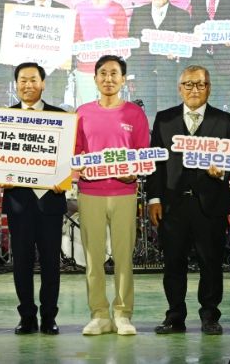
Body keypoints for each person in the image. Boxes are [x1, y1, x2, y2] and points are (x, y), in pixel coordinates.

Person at [146, 65, 230, 336]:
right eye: (188, 84)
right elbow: (156, 164)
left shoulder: (226, 121)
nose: (194, 89)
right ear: (180, 88)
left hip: (210, 204)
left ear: (209, 88)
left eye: (200, 84)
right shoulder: (164, 119)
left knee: (211, 263)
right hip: (173, 205)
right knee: (173, 264)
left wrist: (224, 170)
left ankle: (210, 316)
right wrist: (154, 198)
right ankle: (175, 316)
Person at [74, 55, 150, 336]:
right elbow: (75, 152)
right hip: (90, 192)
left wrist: (134, 172)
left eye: (114, 73)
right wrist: (80, 166)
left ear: (123, 79)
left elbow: (143, 154)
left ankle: (122, 314)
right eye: (103, 73)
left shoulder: (134, 114)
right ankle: (99, 314)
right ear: (95, 79)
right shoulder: (82, 113)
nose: (108, 79)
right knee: (93, 258)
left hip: (124, 193)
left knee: (123, 256)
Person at [2, 62, 67, 336]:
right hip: (19, 202)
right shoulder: (4, 118)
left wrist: (64, 177)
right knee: (22, 263)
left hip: (50, 201)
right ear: (16, 84)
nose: (28, 85)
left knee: (51, 262)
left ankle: (49, 316)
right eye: (23, 80)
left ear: (43, 83)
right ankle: (27, 316)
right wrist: (0, 174)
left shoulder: (60, 117)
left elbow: (67, 158)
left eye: (33, 80)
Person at [128, 0, 193, 122]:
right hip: (144, 78)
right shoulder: (138, 13)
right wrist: (131, 76)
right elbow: (132, 46)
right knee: (145, 120)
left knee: (169, 119)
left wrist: (178, 54)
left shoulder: (182, 16)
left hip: (171, 79)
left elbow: (189, 50)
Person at [73, 0, 128, 107]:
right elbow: (74, 38)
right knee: (86, 111)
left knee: (110, 112)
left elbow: (123, 40)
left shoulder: (117, 9)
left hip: (110, 72)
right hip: (85, 71)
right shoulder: (79, 8)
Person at [22, 0, 71, 106]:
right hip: (28, 75)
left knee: (54, 112)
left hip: (56, 75)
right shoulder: (21, 10)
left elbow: (69, 43)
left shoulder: (64, 11)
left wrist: (66, 61)